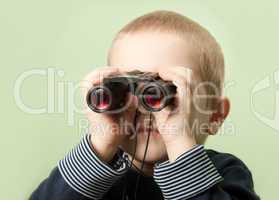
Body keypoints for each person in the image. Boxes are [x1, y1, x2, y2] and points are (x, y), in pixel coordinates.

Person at [30, 10, 260, 200]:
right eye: (126, 89)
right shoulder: (91, 174)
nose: (144, 108)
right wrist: (100, 144)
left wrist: (178, 141)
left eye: (165, 91)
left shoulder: (226, 172)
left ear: (215, 116)